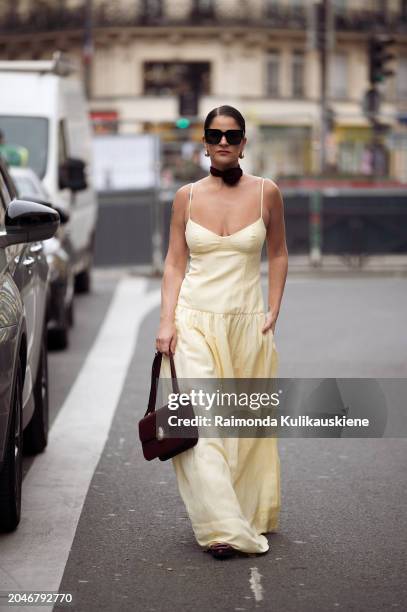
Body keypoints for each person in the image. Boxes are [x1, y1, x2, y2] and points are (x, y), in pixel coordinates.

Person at [156, 105, 288, 560]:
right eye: (215, 135)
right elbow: (175, 261)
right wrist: (166, 321)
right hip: (195, 321)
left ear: (244, 142)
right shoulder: (185, 197)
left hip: (248, 324)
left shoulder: (267, 193)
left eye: (232, 135)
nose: (224, 142)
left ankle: (245, 512)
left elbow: (280, 253)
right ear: (206, 143)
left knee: (246, 429)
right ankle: (221, 528)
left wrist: (274, 306)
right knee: (206, 428)